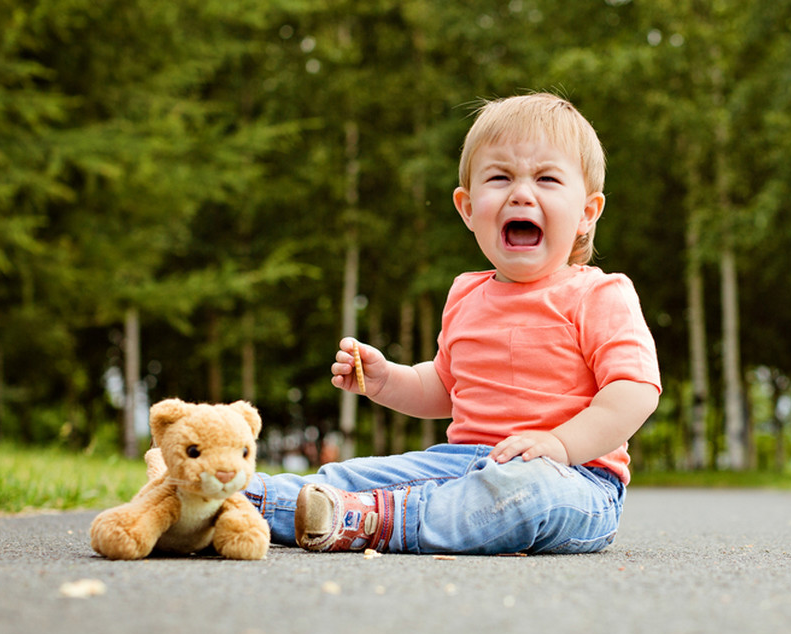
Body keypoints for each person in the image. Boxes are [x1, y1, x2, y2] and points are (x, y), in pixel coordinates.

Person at [244, 92, 661, 555]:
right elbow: (444, 387)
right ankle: (230, 502)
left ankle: (376, 519)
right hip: (459, 463)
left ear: (586, 213)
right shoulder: (465, 294)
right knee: (350, 474)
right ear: (467, 207)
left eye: (546, 178)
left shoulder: (599, 294)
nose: (521, 192)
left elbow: (634, 390)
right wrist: (387, 381)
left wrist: (561, 444)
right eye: (500, 177)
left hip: (574, 479)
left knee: (528, 493)